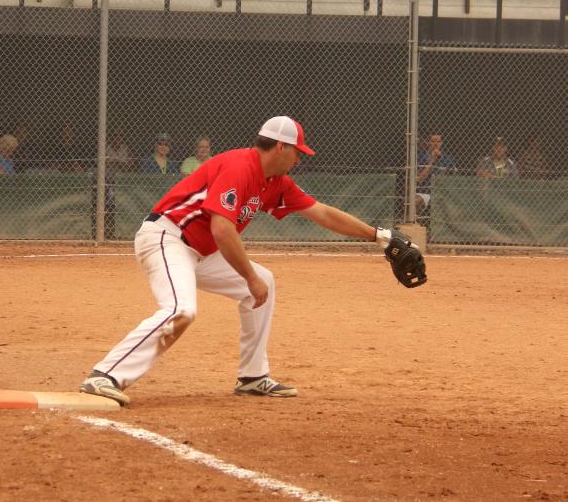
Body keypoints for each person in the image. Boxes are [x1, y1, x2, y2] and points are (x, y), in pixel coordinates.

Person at [79, 116, 412, 406]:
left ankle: (252, 377)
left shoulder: (276, 182)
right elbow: (222, 229)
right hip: (167, 238)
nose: (299, 158)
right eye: (297, 151)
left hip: (200, 251)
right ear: (280, 147)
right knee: (182, 309)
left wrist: (378, 236)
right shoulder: (240, 166)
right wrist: (248, 276)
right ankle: (106, 374)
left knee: (263, 282)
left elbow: (322, 213)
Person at [416, 133, 457, 215]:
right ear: (428, 143)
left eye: (438, 141)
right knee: (416, 201)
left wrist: (440, 158)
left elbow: (453, 175)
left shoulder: (447, 158)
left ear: (441, 143)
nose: (435, 143)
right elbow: (419, 179)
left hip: (443, 193)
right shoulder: (420, 157)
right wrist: (432, 160)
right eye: (433, 141)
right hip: (425, 192)